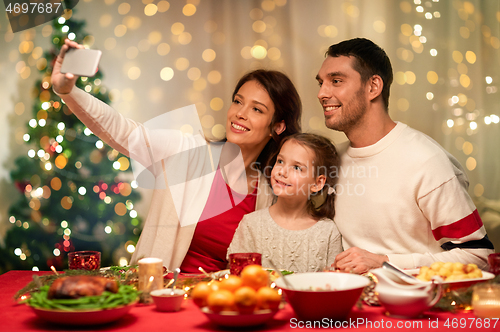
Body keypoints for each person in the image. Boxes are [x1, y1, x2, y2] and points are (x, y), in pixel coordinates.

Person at [51, 39, 302, 272]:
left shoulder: (270, 192)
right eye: (238, 101)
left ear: (278, 127)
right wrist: (68, 91)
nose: (240, 113)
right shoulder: (187, 153)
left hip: (219, 307)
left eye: (256, 109)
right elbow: (123, 131)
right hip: (160, 297)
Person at [315, 38, 494, 274]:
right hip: (347, 305)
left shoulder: (426, 161)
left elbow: (480, 256)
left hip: (416, 307)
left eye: (336, 81)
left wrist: (385, 262)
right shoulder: (331, 160)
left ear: (373, 87)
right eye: (321, 83)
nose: (321, 93)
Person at [228, 133, 343, 272]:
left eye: (296, 167)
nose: (282, 171)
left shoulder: (328, 232)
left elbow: (333, 284)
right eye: (280, 161)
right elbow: (238, 278)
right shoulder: (251, 224)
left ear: (317, 183)